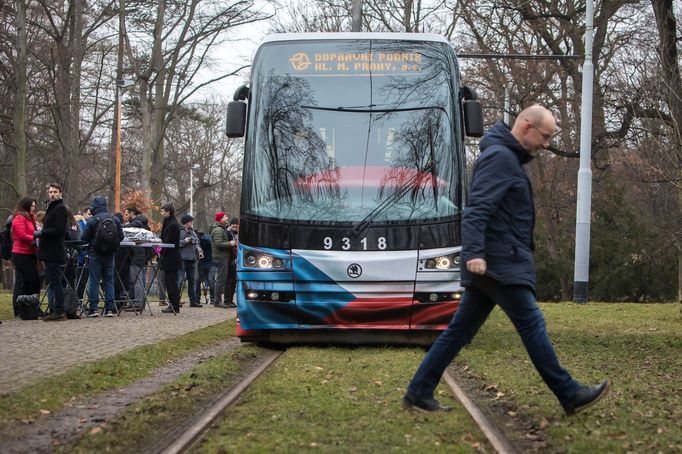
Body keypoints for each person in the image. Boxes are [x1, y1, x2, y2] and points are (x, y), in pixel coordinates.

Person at [403, 105, 610, 416]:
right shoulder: (500, 158)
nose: (546, 144)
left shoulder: (506, 158)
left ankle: (419, 391)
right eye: (545, 136)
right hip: (500, 264)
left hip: (496, 263)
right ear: (527, 126)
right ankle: (569, 393)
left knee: (458, 332)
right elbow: (477, 210)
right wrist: (473, 254)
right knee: (532, 325)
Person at [81, 196, 124, 317]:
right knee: (109, 280)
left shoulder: (93, 220)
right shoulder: (114, 219)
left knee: (94, 280)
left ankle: (93, 309)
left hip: (95, 253)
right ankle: (110, 309)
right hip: (110, 254)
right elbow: (121, 236)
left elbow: (83, 238)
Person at [34, 183, 69, 321]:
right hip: (49, 249)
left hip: (54, 250)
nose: (52, 194)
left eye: (55, 192)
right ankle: (56, 309)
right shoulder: (51, 207)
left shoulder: (60, 208)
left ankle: (59, 311)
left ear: (60, 193)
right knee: (53, 281)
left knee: (55, 281)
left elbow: (59, 230)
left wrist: (41, 233)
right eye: (50, 192)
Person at [11, 197, 40, 317]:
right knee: (33, 281)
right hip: (21, 254)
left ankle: (28, 309)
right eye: (31, 206)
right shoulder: (19, 218)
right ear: (26, 206)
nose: (33, 208)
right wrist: (35, 237)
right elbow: (21, 235)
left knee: (28, 282)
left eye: (34, 206)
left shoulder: (30, 218)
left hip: (29, 253)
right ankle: (24, 307)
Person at [124, 206, 151, 311]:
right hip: (139, 255)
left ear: (132, 213)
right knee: (136, 280)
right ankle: (135, 302)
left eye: (127, 214)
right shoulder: (144, 224)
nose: (126, 217)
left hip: (137, 254)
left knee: (137, 280)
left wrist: (125, 226)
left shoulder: (137, 224)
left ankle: (138, 303)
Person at [159, 203, 182, 313]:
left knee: (171, 282)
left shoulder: (172, 225)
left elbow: (167, 242)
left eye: (163, 211)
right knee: (170, 282)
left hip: (171, 258)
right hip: (169, 257)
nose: (162, 213)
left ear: (169, 212)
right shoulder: (168, 222)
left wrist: (159, 252)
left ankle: (174, 305)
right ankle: (173, 304)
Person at [178, 214, 204, 308]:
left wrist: (200, 251)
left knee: (192, 281)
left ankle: (193, 301)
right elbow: (177, 243)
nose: (192, 222)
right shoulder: (179, 231)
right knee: (179, 281)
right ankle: (176, 300)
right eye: (190, 221)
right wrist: (185, 241)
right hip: (182, 259)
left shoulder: (192, 232)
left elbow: (197, 243)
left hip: (192, 259)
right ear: (186, 222)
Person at [210, 211, 233, 308]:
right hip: (221, 257)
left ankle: (217, 300)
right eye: (225, 217)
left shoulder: (220, 229)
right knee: (220, 280)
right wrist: (231, 244)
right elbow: (218, 244)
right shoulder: (218, 230)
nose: (227, 218)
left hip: (222, 256)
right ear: (220, 219)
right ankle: (217, 301)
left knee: (221, 279)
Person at [196, 231, 216, 305]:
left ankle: (212, 298)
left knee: (211, 280)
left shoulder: (206, 241)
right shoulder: (199, 242)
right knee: (198, 280)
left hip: (210, 262)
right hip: (202, 263)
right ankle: (197, 299)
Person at [226, 217, 239, 307]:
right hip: (230, 259)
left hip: (237, 260)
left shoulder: (237, 234)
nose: (234, 225)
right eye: (233, 223)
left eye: (236, 224)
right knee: (229, 281)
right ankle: (227, 300)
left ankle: (231, 299)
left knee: (234, 281)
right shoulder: (227, 233)